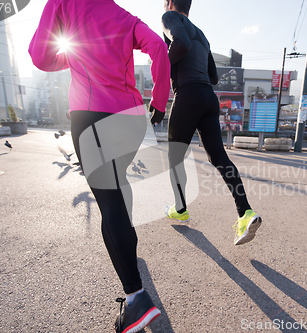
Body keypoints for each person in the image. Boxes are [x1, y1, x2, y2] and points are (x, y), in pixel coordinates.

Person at [29, 0, 170, 332]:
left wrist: (71, 58)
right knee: (117, 191)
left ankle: (136, 299)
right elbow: (159, 50)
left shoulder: (63, 3)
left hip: (93, 118)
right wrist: (159, 103)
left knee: (109, 202)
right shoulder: (125, 17)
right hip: (133, 119)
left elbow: (39, 55)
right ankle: (129, 258)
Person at [161, 0, 262, 245]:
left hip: (187, 96)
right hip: (209, 98)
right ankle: (245, 212)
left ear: (171, 3)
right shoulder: (203, 36)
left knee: (174, 157)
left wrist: (161, 64)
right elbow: (214, 77)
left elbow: (181, 43)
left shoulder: (169, 18)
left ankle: (181, 208)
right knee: (219, 158)